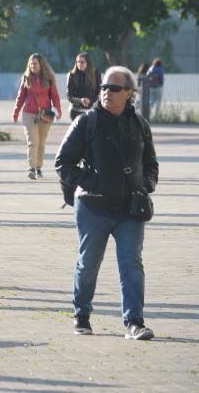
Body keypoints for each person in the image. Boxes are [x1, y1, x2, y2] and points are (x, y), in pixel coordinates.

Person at [55, 66, 158, 340]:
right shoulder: (86, 122)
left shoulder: (140, 124)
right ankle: (82, 314)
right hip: (93, 207)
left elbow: (151, 164)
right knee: (89, 264)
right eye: (103, 87)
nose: (106, 92)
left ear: (129, 93)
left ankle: (134, 322)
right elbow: (62, 162)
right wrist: (94, 182)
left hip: (130, 209)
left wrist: (145, 186)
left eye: (113, 88)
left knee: (131, 264)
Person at [12, 53, 62, 180]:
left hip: (45, 115)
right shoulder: (26, 78)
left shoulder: (49, 78)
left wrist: (58, 111)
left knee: (41, 143)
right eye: (31, 63)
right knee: (32, 141)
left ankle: (38, 167)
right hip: (29, 114)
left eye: (35, 63)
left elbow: (55, 96)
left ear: (41, 65)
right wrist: (16, 112)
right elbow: (20, 97)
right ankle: (31, 168)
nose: (33, 66)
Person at [66, 53, 100, 121]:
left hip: (91, 111)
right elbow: (69, 96)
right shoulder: (71, 75)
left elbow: (98, 93)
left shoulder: (96, 74)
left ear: (88, 63)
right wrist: (80, 100)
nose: (80, 64)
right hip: (75, 111)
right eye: (78, 62)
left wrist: (90, 100)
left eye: (82, 62)